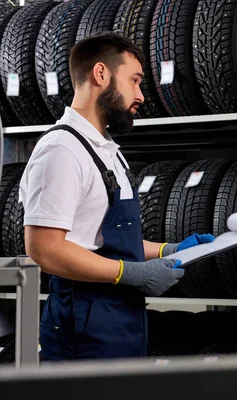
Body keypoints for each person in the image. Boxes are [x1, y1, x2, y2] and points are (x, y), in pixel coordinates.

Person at [19, 32, 213, 361]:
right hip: (82, 330)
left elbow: (106, 238)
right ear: (101, 74)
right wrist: (130, 272)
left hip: (122, 322)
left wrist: (171, 249)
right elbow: (44, 248)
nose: (140, 95)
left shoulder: (109, 150)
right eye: (134, 81)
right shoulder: (61, 150)